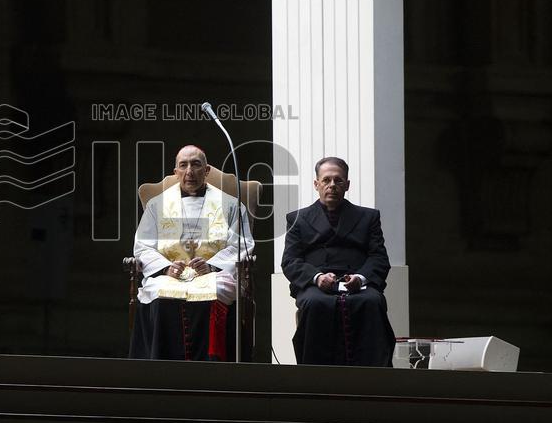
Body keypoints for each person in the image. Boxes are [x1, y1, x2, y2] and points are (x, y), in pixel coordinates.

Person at [129, 145, 254, 361]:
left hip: (214, 275)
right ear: (175, 172)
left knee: (216, 291)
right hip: (169, 276)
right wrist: (165, 268)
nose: (189, 171)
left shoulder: (231, 205)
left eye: (196, 164)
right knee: (160, 295)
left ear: (206, 170)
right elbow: (143, 246)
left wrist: (212, 266)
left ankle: (213, 367)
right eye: (183, 165)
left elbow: (242, 245)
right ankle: (160, 367)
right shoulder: (157, 205)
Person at [281, 156, 395, 366]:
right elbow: (290, 260)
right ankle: (315, 376)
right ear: (316, 184)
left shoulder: (368, 217)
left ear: (347, 185)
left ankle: (374, 378)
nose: (332, 185)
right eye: (326, 180)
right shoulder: (297, 219)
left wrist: (361, 278)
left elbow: (379, 257)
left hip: (358, 284)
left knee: (372, 301)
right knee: (315, 303)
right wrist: (317, 277)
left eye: (338, 180)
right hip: (317, 285)